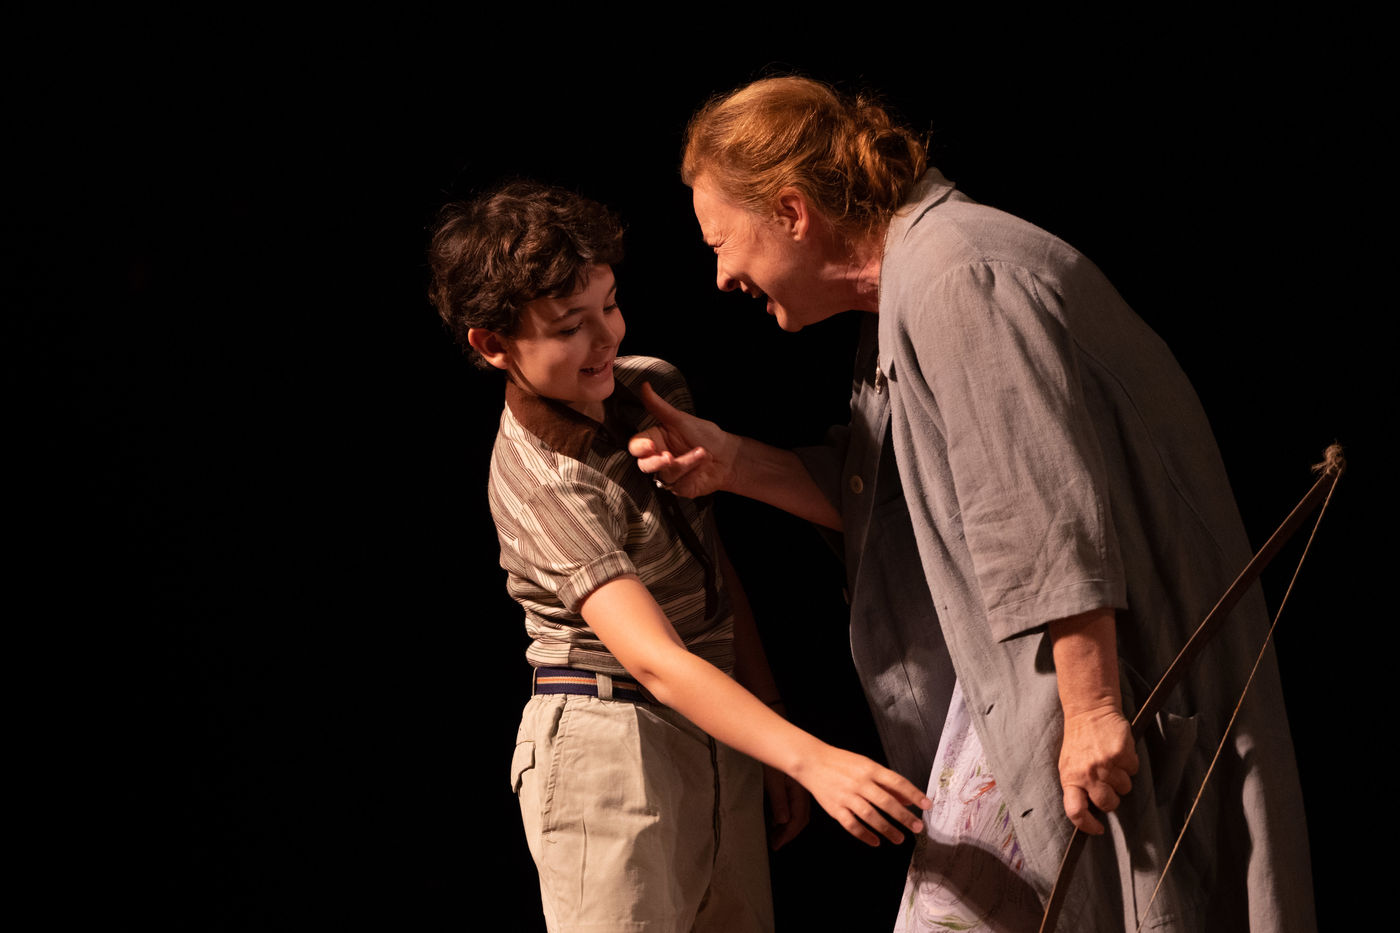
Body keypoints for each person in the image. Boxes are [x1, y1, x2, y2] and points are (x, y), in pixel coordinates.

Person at [628, 77, 1316, 931]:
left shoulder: (958, 276)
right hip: (1033, 690)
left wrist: (1092, 708)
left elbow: (1045, 510)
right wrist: (728, 461)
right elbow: (893, 497)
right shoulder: (916, 285)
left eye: (722, 241)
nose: (723, 274)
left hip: (1090, 683)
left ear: (792, 212)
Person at [427, 180, 931, 933]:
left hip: (714, 719)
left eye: (609, 305)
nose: (605, 338)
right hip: (609, 744)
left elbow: (708, 565)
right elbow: (654, 658)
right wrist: (809, 757)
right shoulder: (541, 481)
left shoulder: (650, 386)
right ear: (493, 345)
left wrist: (767, 715)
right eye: (569, 327)